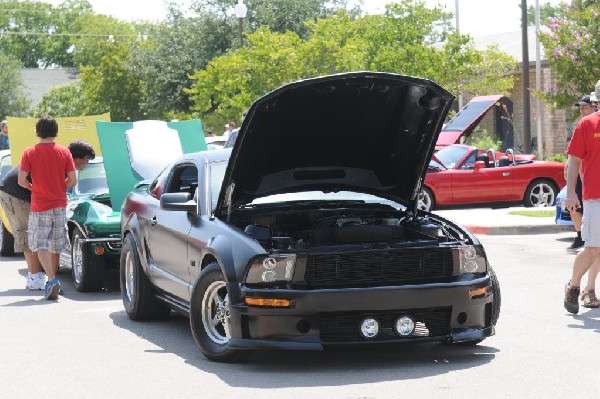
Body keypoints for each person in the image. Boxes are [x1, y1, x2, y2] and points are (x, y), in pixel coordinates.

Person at [0, 140, 95, 290]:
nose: (86, 164)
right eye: (87, 159)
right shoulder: (60, 160)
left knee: (42, 237)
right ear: (77, 158)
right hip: (15, 192)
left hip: (28, 194)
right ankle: (35, 278)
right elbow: (26, 181)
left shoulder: (61, 160)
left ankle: (44, 278)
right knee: (28, 233)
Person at [17, 116, 77, 299]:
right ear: (56, 131)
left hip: (40, 204)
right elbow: (73, 179)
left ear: (38, 131)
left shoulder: (29, 152)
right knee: (55, 246)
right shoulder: (64, 152)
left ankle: (52, 280)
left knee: (39, 243)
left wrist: (34, 187)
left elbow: (21, 180)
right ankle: (54, 279)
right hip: (59, 204)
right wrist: (60, 187)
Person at [563, 80, 600, 313]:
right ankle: (574, 286)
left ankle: (589, 288)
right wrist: (569, 193)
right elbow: (574, 160)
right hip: (595, 197)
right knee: (594, 248)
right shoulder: (587, 124)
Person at [566, 95, 596, 250]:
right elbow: (573, 157)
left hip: (590, 177)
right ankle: (580, 237)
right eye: (580, 108)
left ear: (594, 106)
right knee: (575, 209)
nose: (582, 110)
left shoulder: (593, 123)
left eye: (585, 107)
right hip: (579, 175)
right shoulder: (583, 124)